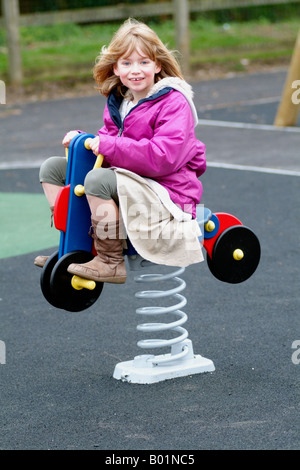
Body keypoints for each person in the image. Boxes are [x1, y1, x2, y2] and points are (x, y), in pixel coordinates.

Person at [35, 18, 206, 284]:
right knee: (54, 169)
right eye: (126, 63)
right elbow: (108, 141)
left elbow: (163, 157)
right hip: (132, 179)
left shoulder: (174, 102)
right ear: (116, 67)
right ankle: (74, 244)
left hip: (165, 189)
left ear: (158, 65)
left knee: (96, 180)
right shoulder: (122, 100)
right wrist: (83, 141)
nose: (135, 70)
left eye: (143, 62)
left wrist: (107, 145)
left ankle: (110, 260)